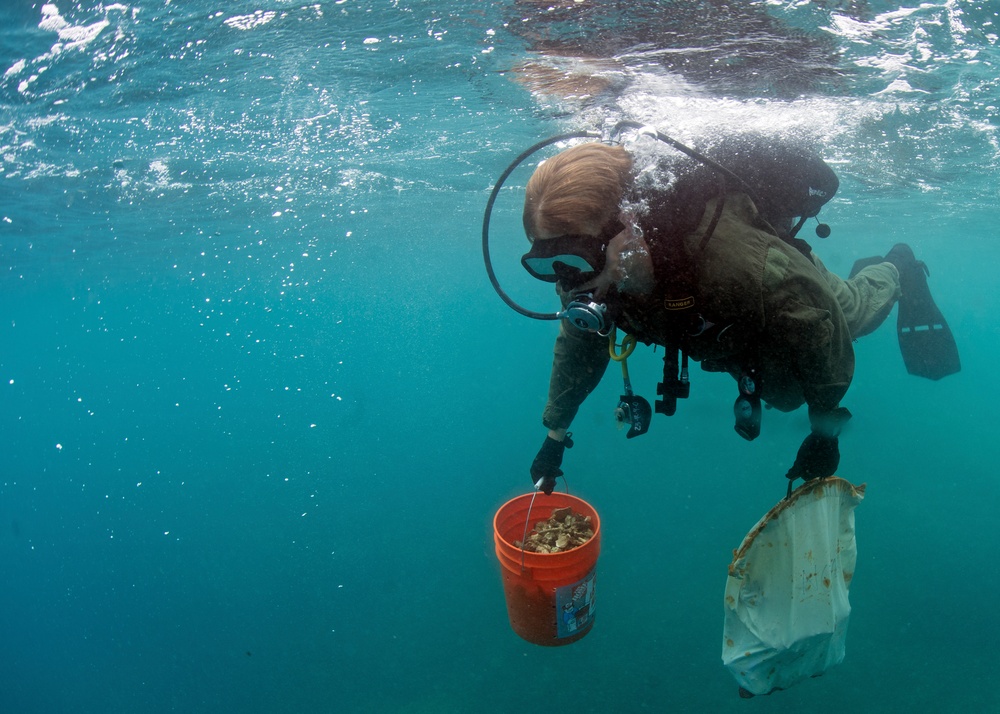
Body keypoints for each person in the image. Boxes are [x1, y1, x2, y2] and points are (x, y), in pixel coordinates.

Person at [520, 140, 958, 495]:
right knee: (781, 388)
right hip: (718, 323)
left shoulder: (736, 262)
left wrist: (825, 427)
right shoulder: (584, 270)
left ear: (627, 227)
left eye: (573, 258)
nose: (567, 281)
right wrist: (554, 436)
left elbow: (819, 324)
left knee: (852, 315)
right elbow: (579, 342)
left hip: (781, 284)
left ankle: (896, 267)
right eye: (546, 262)